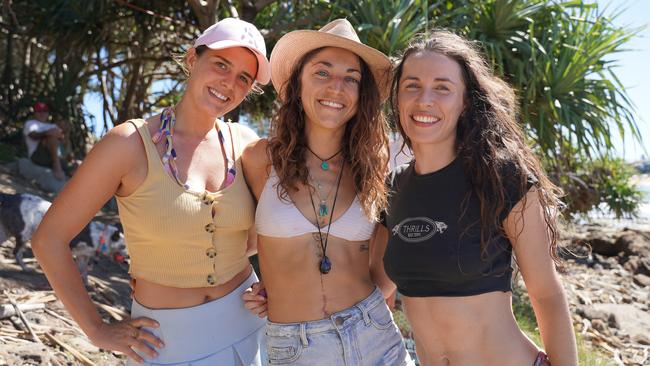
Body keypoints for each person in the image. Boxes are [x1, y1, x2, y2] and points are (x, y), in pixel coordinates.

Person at [32, 18, 271, 365]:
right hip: (164, 343)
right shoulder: (128, 145)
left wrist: (269, 289)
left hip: (250, 331)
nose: (229, 83)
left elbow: (262, 237)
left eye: (243, 78)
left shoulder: (246, 145)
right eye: (221, 64)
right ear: (192, 59)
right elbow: (48, 239)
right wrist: (97, 330)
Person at [371, 31, 578, 365]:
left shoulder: (501, 178)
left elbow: (547, 294)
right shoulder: (393, 189)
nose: (425, 99)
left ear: (465, 101)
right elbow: (374, 288)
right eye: (412, 85)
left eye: (442, 87)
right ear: (397, 99)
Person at [241, 19, 413, 366]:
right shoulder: (261, 160)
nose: (337, 87)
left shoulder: (374, 165)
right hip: (295, 347)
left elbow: (384, 258)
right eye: (322, 72)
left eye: (352, 78)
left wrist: (364, 313)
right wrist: (257, 286)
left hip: (375, 337)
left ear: (361, 94)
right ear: (298, 82)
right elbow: (236, 241)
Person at [23, 102, 67, 180]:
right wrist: (47, 133)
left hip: (56, 155)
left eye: (45, 111)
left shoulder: (53, 126)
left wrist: (62, 135)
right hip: (38, 156)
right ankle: (57, 167)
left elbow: (62, 142)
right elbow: (33, 136)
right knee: (51, 138)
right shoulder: (30, 123)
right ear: (35, 113)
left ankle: (66, 167)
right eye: (39, 111)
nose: (42, 113)